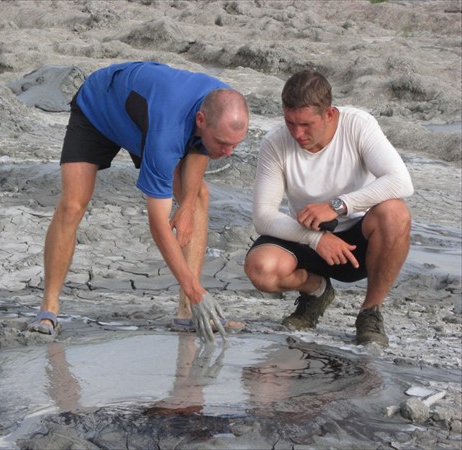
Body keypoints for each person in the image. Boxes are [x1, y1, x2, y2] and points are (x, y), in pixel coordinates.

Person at [27, 61, 249, 342]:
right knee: (73, 203)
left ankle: (186, 313)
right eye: (223, 143)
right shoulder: (165, 134)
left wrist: (188, 205)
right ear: (201, 120)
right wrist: (197, 291)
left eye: (235, 145)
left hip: (147, 119)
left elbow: (200, 148)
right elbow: (158, 225)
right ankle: (48, 309)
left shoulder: (221, 106)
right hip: (99, 107)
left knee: (198, 196)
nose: (228, 153)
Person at [244, 69, 413, 347]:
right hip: (309, 237)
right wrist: (317, 238)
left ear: (329, 115)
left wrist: (340, 205)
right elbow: (263, 217)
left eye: (306, 124)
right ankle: (317, 293)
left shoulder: (358, 125)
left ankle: (370, 313)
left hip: (360, 243)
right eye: (290, 123)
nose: (297, 133)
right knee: (261, 268)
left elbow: (401, 182)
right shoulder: (275, 142)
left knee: (395, 213)